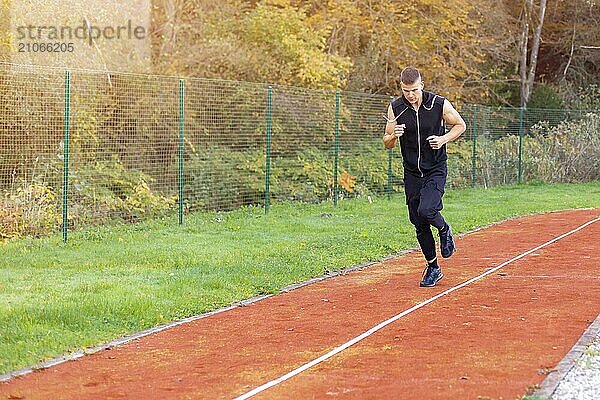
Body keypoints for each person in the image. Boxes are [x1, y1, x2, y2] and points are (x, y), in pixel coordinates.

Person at [383, 67, 466, 287]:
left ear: (422, 85)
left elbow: (460, 125)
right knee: (418, 222)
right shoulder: (396, 108)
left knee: (427, 210)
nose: (410, 95)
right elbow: (387, 142)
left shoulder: (438, 104)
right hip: (412, 172)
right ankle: (433, 267)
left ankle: (444, 229)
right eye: (405, 90)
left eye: (414, 90)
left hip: (435, 168)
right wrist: (393, 135)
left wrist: (443, 139)